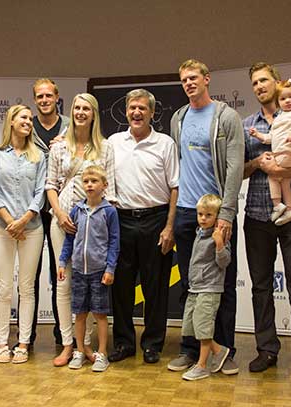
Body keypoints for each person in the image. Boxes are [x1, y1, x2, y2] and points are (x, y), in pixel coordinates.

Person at [167, 59, 244, 375]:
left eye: (193, 77)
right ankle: (190, 349)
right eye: (184, 79)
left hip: (217, 215)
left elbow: (235, 166)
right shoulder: (179, 118)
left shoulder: (226, 117)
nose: (188, 83)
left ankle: (223, 352)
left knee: (221, 287)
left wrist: (226, 214)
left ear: (207, 79)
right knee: (190, 286)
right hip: (187, 213)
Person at [242, 62, 291, 383]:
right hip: (257, 215)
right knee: (260, 287)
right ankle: (267, 350)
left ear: (277, 83)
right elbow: (240, 171)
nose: (260, 86)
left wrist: (279, 171)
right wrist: (258, 161)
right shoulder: (248, 125)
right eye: (255, 82)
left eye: (264, 80)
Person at [108, 89, 179, 364]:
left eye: (142, 108)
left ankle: (152, 344)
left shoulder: (165, 144)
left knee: (155, 287)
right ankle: (124, 343)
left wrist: (169, 226)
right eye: (132, 108)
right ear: (126, 112)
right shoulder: (113, 142)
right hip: (121, 220)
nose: (136, 113)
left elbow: (175, 186)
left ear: (152, 112)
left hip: (156, 220)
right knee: (121, 288)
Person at [46, 93, 115, 367]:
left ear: (94, 113)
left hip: (94, 225)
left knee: (89, 286)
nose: (81, 112)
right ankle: (68, 345)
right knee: (65, 285)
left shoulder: (105, 148)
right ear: (71, 111)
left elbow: (112, 187)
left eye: (87, 108)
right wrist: (61, 214)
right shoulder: (58, 147)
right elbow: (50, 185)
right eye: (77, 108)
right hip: (62, 222)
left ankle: (86, 345)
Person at [0, 104, 46, 364]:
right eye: (24, 118)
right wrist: (11, 222)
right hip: (2, 229)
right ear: (10, 121)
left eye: (30, 120)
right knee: (4, 289)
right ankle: (2, 343)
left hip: (32, 229)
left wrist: (25, 219)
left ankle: (22, 342)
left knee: (27, 288)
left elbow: (42, 191)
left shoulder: (39, 155)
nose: (28, 123)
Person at [58, 165, 120, 372]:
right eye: (86, 181)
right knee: (80, 313)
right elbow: (69, 239)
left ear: (104, 185)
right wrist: (61, 262)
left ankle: (101, 353)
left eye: (94, 181)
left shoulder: (109, 211)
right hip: (78, 271)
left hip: (99, 271)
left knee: (100, 314)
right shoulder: (77, 210)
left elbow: (114, 242)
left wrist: (110, 268)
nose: (90, 185)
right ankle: (79, 350)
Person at [30, 78, 70, 347]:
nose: (44, 100)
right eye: (39, 97)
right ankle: (27, 334)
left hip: (60, 208)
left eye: (48, 95)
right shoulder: (25, 125)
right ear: (34, 100)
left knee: (61, 272)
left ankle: (62, 333)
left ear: (57, 97)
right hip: (31, 208)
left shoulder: (70, 126)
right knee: (30, 276)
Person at [178, 194, 231, 381]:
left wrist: (218, 243)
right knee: (192, 326)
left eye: (208, 215)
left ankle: (201, 365)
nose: (203, 218)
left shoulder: (220, 236)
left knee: (203, 327)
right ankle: (219, 350)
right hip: (195, 287)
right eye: (200, 214)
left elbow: (224, 262)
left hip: (209, 288)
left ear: (217, 216)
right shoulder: (198, 233)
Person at [249, 78, 291, 226]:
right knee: (285, 184)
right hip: (284, 154)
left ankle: (277, 205)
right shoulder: (280, 118)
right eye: (283, 99)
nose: (287, 101)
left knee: (272, 176)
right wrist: (258, 135)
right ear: (278, 102)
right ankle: (289, 209)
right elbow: (271, 138)